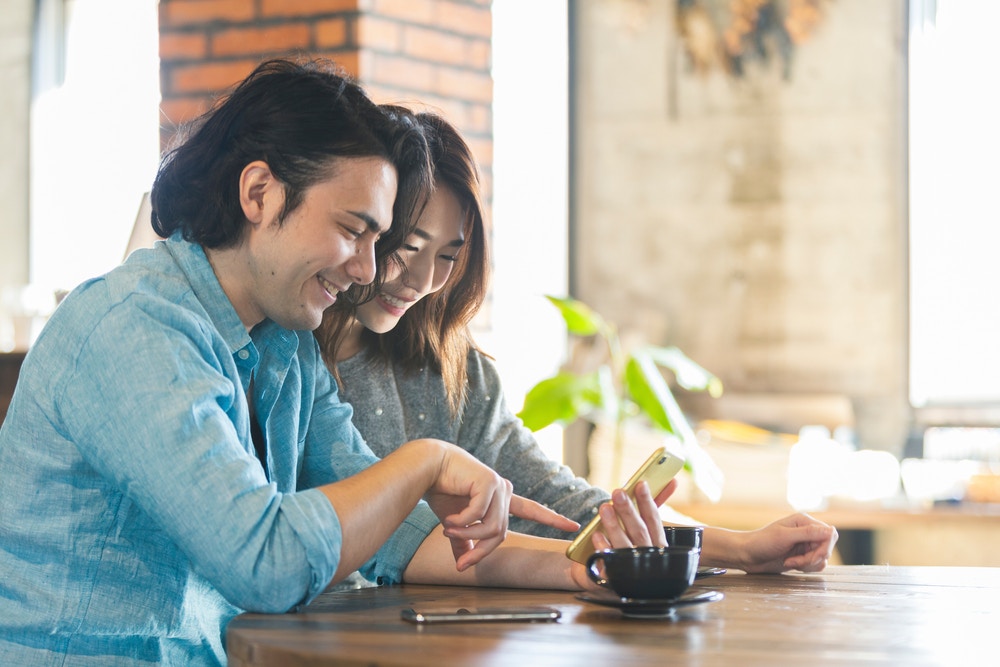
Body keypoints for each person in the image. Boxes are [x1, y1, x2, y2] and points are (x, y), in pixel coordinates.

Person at [0, 59, 665, 667]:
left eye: (378, 240)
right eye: (353, 230)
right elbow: (265, 561)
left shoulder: (285, 347)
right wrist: (425, 459)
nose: (369, 270)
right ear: (258, 193)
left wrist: (581, 569)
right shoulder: (134, 329)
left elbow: (401, 540)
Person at [316, 111, 839, 576]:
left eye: (448, 257)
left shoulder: (451, 370)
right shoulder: (288, 366)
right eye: (408, 247)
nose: (423, 280)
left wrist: (741, 549)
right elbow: (390, 538)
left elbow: (551, 498)